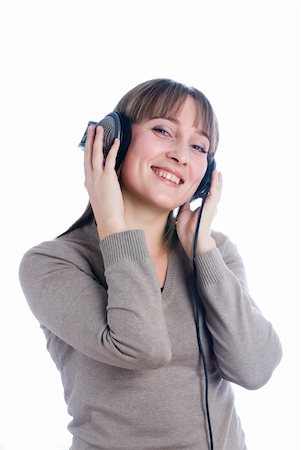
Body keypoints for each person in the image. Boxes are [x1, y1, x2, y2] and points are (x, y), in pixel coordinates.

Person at [19, 78, 282, 450]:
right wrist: (113, 222)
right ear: (114, 139)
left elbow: (255, 368)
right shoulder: (53, 263)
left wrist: (203, 253)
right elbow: (143, 348)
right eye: (163, 130)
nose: (181, 155)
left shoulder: (215, 252)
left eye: (198, 146)